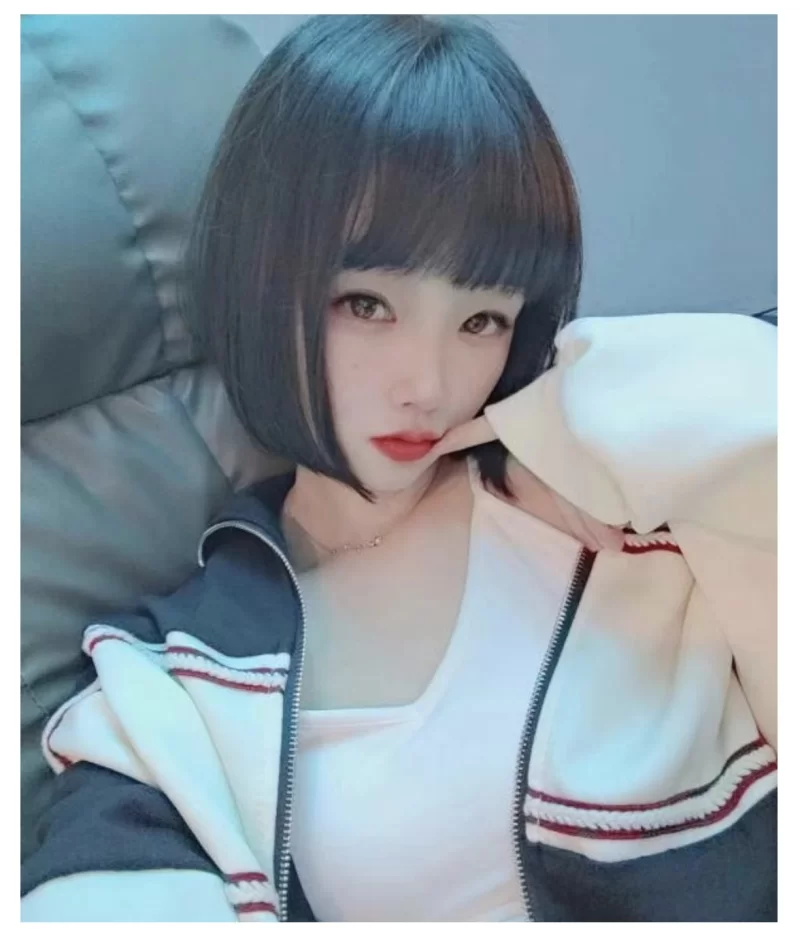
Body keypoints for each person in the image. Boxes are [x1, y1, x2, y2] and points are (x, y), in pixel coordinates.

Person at [21, 14, 776, 922]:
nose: (430, 385)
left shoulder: (610, 474)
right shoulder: (177, 672)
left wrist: (588, 417)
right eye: (368, 304)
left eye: (482, 320)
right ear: (260, 279)